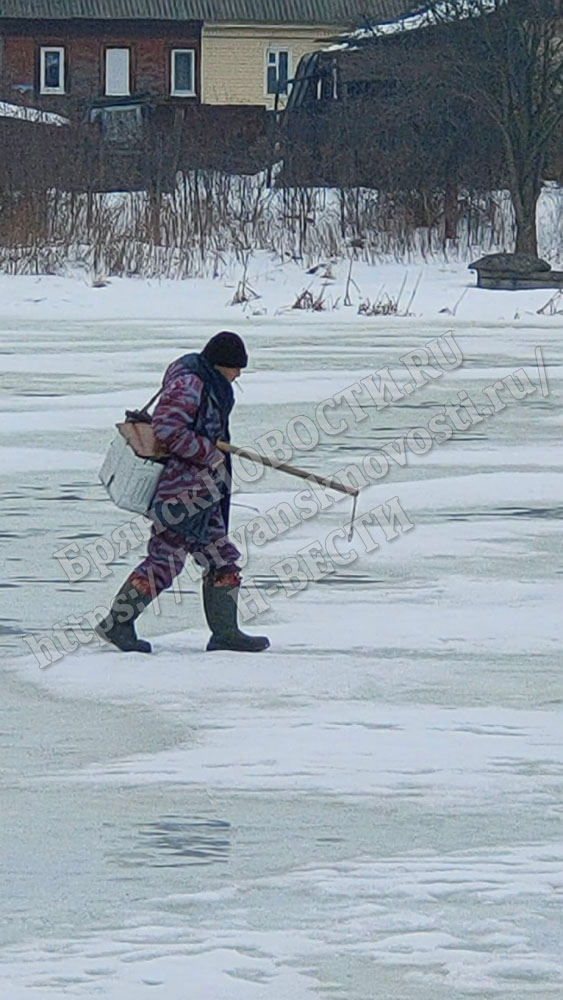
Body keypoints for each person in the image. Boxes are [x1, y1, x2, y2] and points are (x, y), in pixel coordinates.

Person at [96, 331, 270, 655]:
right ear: (221, 365)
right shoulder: (191, 384)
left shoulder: (208, 383)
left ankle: (225, 634)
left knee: (222, 561)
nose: (239, 375)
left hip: (203, 492)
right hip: (182, 491)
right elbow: (167, 428)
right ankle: (118, 623)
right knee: (165, 561)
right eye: (236, 368)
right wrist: (208, 451)